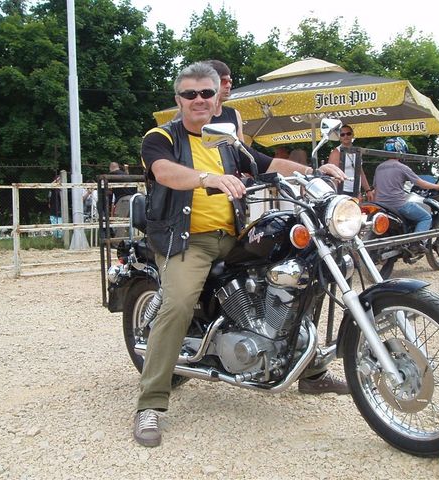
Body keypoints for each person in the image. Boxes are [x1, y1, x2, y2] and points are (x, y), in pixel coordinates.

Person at [134, 62, 348, 448]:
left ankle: (311, 372)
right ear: (178, 100)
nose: (199, 100)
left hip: (232, 236)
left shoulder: (226, 140)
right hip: (185, 240)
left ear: (217, 97)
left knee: (300, 274)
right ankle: (150, 403)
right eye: (190, 94)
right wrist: (208, 178)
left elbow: (266, 163)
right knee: (178, 304)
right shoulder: (161, 137)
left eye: (206, 93)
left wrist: (313, 172)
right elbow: (164, 172)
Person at [372, 137, 439, 250]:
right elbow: (420, 183)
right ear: (401, 150)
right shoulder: (402, 167)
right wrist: (437, 186)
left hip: (381, 205)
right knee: (426, 217)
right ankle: (416, 243)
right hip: (398, 205)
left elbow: (375, 189)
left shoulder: (379, 168)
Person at [328, 124, 373, 201]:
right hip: (342, 192)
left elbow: (360, 172)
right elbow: (332, 176)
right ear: (339, 137)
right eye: (342, 134)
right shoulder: (336, 153)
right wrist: (334, 196)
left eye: (348, 133)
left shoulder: (357, 151)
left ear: (352, 135)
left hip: (356, 191)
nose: (346, 136)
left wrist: (368, 190)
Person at [204, 59, 245, 142]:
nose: (228, 85)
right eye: (223, 81)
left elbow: (241, 147)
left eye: (230, 81)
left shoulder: (234, 114)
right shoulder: (197, 114)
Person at [109, 162, 138, 238]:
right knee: (130, 223)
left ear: (110, 168)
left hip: (123, 200)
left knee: (120, 223)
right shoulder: (126, 175)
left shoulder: (112, 175)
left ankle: (118, 242)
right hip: (133, 199)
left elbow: (109, 190)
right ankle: (129, 241)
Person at [48, 174, 63, 239]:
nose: (59, 181)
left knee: (60, 227)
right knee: (54, 226)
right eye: (58, 180)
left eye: (60, 180)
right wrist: (56, 180)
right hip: (53, 210)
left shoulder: (62, 190)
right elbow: (50, 186)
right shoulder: (53, 190)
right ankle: (55, 239)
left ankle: (60, 239)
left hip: (60, 210)